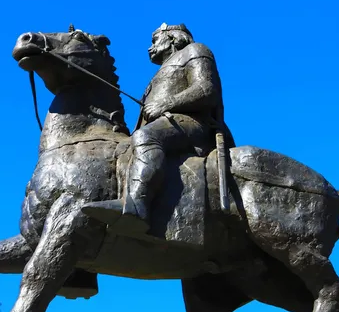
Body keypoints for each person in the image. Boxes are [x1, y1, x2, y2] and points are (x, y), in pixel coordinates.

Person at [82, 23, 234, 237]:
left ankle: (136, 206)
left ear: (172, 38)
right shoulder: (159, 73)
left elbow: (207, 89)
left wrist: (166, 104)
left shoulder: (196, 50)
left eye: (155, 40)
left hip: (194, 124)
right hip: (169, 124)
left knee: (146, 136)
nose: (149, 47)